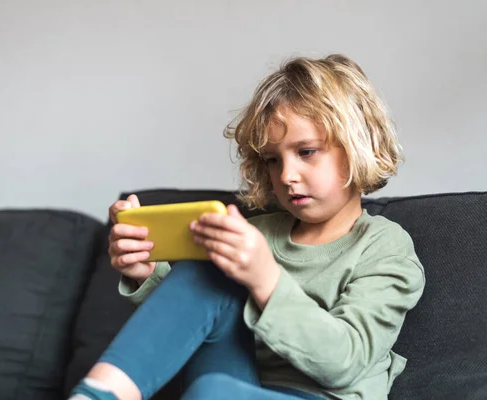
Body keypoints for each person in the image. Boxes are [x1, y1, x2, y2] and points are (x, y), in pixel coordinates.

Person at [70, 54, 426, 400]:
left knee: (211, 390)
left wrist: (266, 279)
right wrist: (145, 271)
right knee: (209, 270)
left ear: (356, 148)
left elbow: (345, 362)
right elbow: (194, 321)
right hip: (232, 386)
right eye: (273, 160)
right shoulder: (256, 234)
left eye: (306, 152)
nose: (286, 176)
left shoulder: (384, 246)